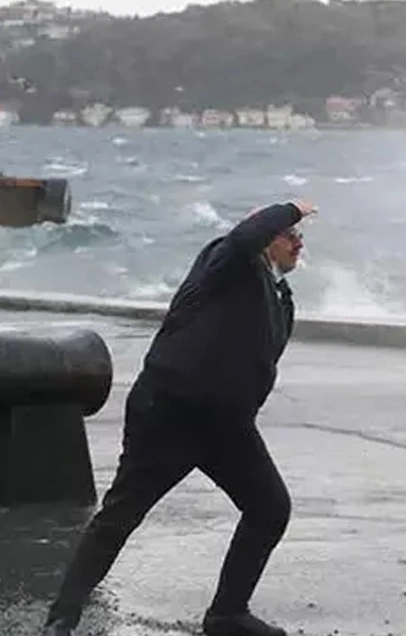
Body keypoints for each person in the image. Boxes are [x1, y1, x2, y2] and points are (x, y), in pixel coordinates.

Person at [42, 200, 316, 636]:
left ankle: (227, 614)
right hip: (170, 412)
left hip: (226, 426)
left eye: (300, 236)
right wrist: (290, 208)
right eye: (290, 234)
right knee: (122, 514)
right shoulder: (228, 260)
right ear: (265, 235)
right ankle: (61, 618)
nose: (298, 241)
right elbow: (245, 235)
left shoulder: (281, 298)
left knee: (269, 508)